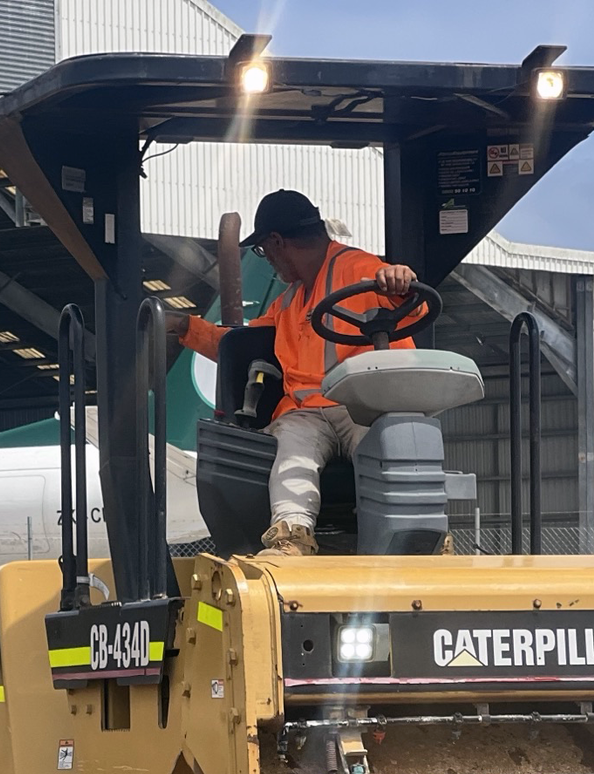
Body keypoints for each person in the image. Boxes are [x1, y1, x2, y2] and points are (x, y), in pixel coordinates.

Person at [166, 189, 417, 556]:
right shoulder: (288, 301)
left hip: (362, 403)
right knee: (292, 451)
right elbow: (239, 344)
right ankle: (291, 535)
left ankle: (411, 534)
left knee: (383, 444)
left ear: (277, 242)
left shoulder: (361, 269)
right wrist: (186, 327)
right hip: (306, 415)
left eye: (265, 252)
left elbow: (404, 300)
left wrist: (399, 280)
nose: (268, 262)